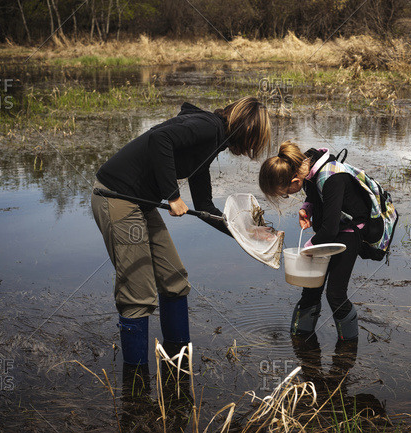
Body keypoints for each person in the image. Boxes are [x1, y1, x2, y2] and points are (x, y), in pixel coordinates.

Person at [91, 97, 270, 366]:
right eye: (255, 140)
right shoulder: (208, 128)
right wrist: (173, 196)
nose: (251, 148)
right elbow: (159, 138)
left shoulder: (210, 143)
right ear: (247, 130)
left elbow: (205, 205)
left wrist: (244, 233)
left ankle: (177, 364)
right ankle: (136, 388)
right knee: (138, 294)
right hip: (116, 197)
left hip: (141, 201)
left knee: (174, 280)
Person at [259, 141, 373, 341]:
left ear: (295, 180)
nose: (287, 196)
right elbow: (315, 195)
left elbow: (329, 231)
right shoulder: (306, 167)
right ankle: (300, 337)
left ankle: (348, 347)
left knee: (335, 293)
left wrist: (306, 250)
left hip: (350, 231)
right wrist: (307, 208)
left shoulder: (332, 178)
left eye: (285, 194)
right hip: (333, 226)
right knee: (312, 287)